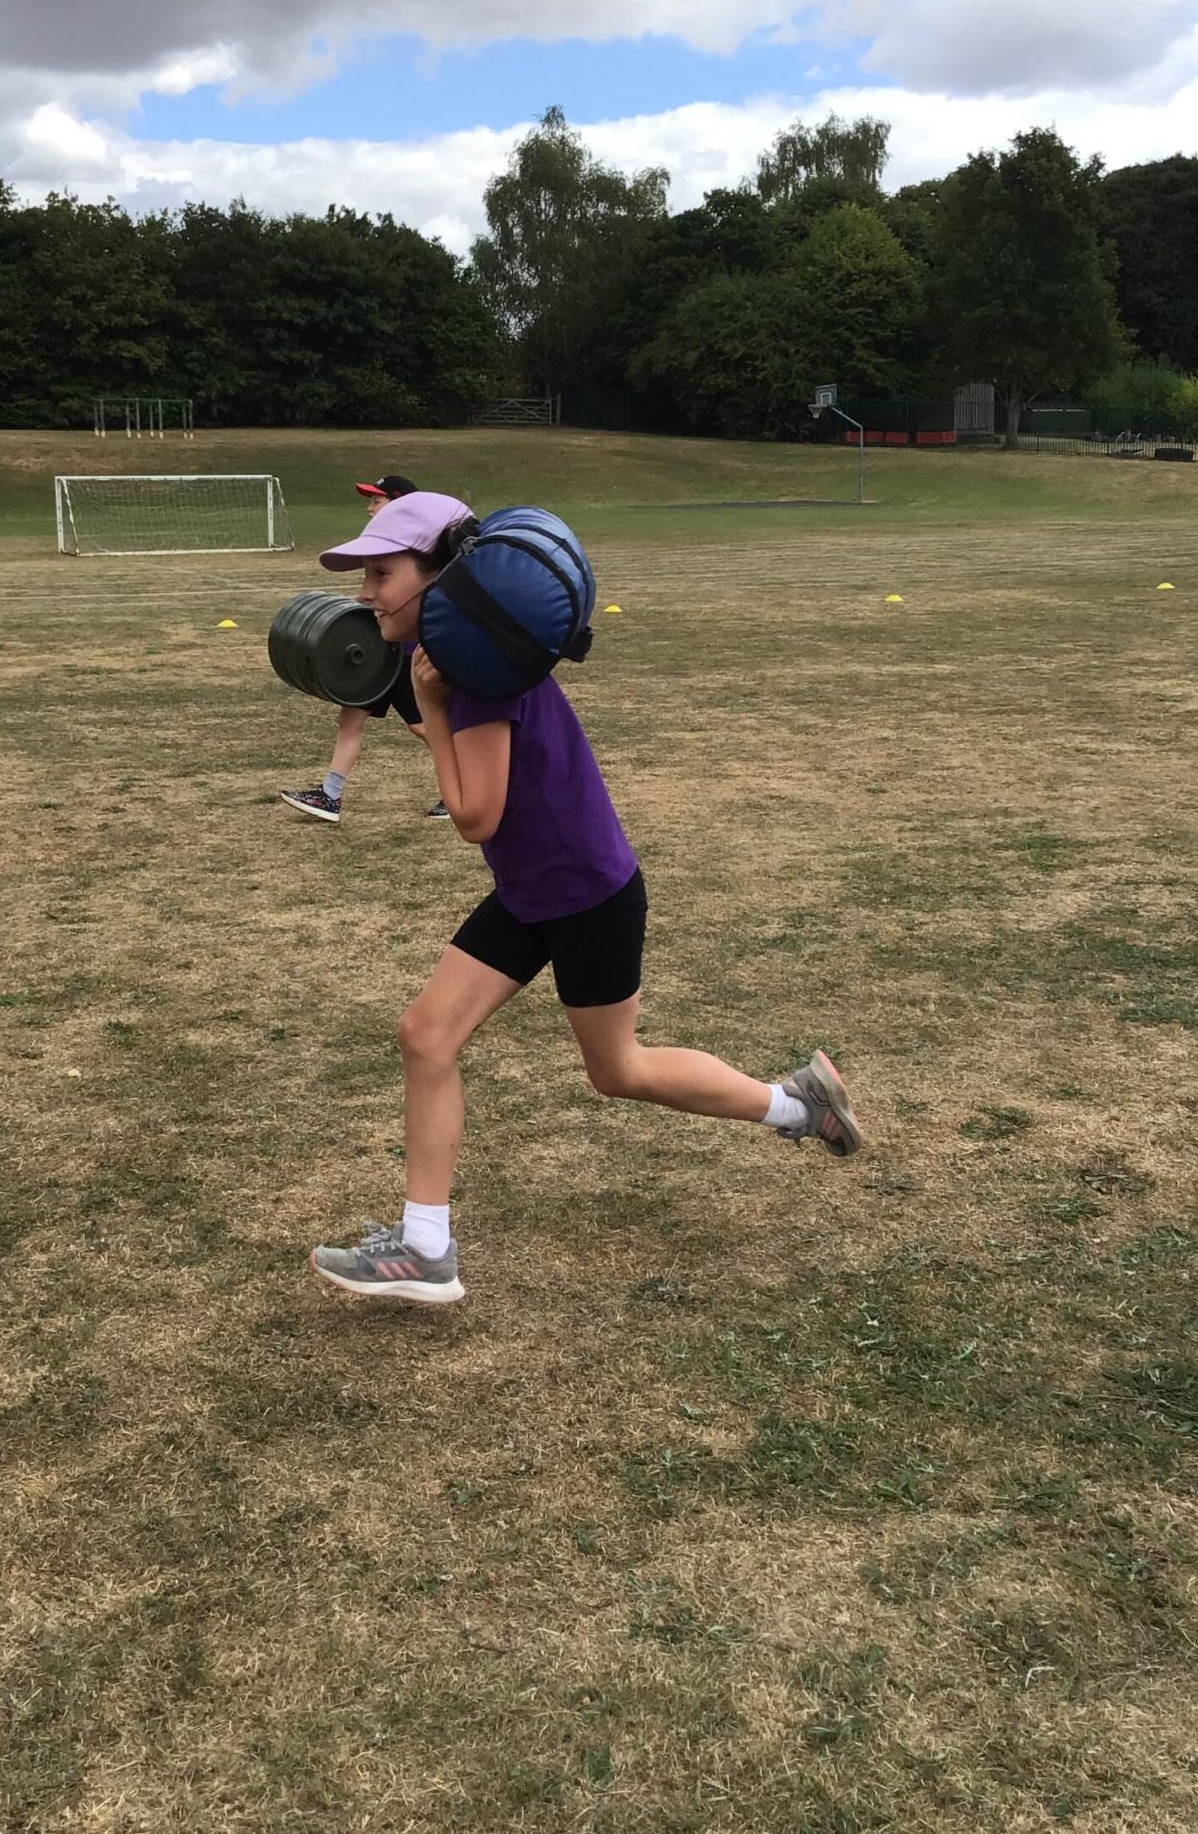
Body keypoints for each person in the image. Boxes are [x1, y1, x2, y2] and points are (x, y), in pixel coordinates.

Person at [308, 491, 865, 1305]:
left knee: (618, 1069)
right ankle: (425, 1247)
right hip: (533, 891)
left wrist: (428, 706)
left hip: (584, 896)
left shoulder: (479, 675)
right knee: (425, 1035)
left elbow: (473, 817)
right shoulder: (467, 656)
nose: (365, 594)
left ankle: (799, 1107)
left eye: (381, 575)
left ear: (437, 580)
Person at [279, 474, 465, 825]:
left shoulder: (418, 561)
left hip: (401, 657)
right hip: (374, 655)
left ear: (401, 505)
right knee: (349, 720)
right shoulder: (381, 548)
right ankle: (330, 795)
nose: (369, 507)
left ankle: (463, 783)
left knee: (422, 725)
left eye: (376, 500)